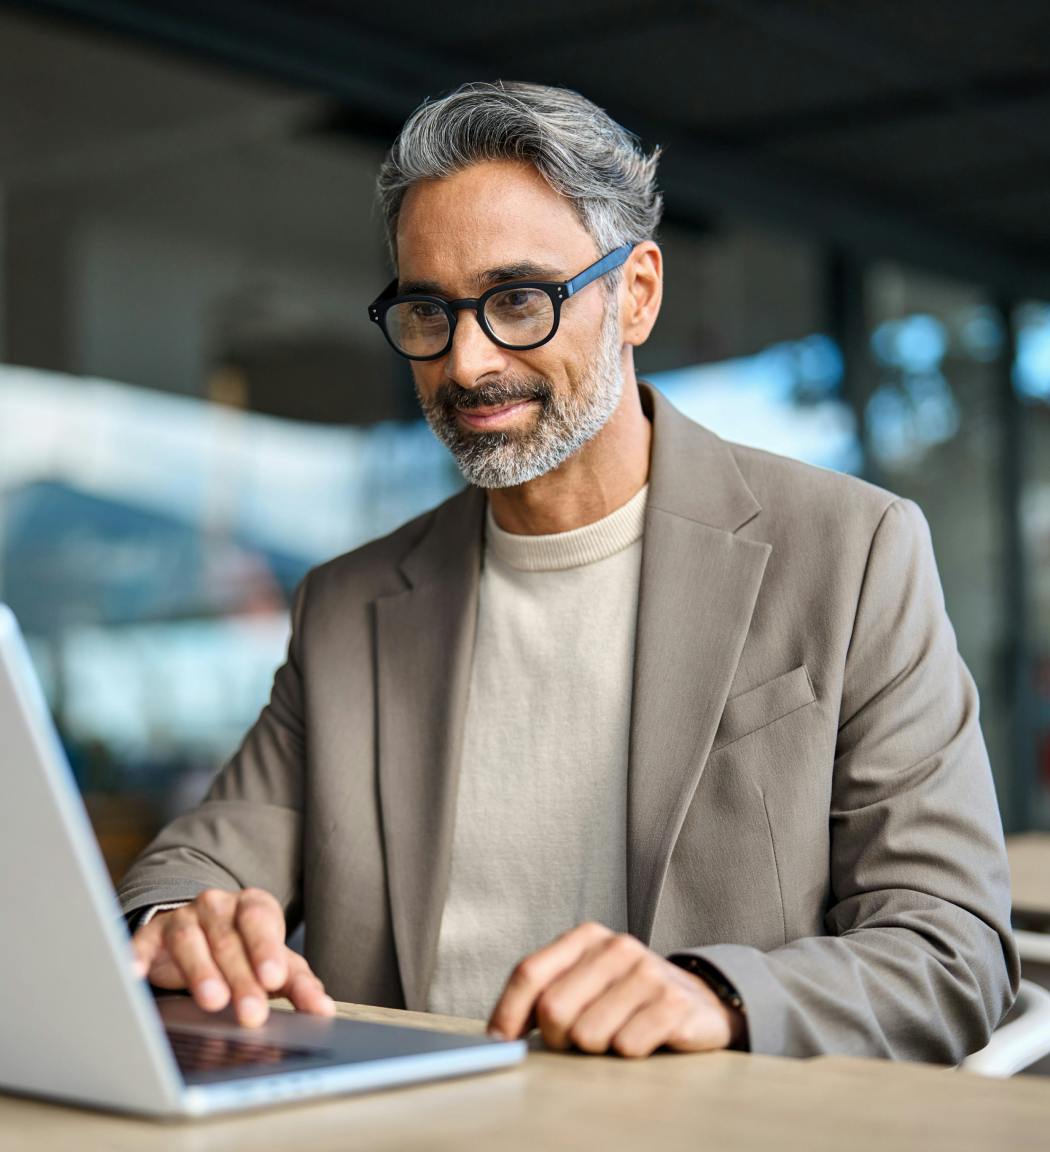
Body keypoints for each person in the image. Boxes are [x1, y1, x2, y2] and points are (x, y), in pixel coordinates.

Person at [120, 82, 1019, 1061]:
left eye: (517, 301)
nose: (465, 363)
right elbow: (199, 858)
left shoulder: (851, 552)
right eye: (429, 311)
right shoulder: (351, 604)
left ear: (635, 294)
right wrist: (180, 919)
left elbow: (952, 949)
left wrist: (718, 997)